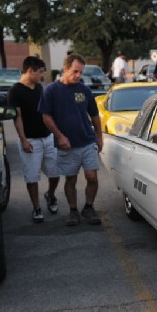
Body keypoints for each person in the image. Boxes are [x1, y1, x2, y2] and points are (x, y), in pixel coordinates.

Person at [38, 54, 103, 226]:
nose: (78, 76)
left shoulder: (84, 90)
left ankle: (89, 207)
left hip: (87, 141)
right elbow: (46, 117)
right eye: (75, 71)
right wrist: (60, 136)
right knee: (71, 179)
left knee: (92, 177)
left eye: (81, 72)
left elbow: (94, 115)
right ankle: (73, 210)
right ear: (65, 69)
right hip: (67, 145)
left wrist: (99, 136)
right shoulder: (51, 90)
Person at [7, 56, 60, 223]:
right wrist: (23, 140)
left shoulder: (39, 88)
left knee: (55, 172)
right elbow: (18, 117)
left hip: (47, 138)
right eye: (40, 72)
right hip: (30, 140)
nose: (42, 76)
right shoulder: (15, 91)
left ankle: (50, 195)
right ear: (30, 71)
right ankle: (36, 207)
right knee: (32, 177)